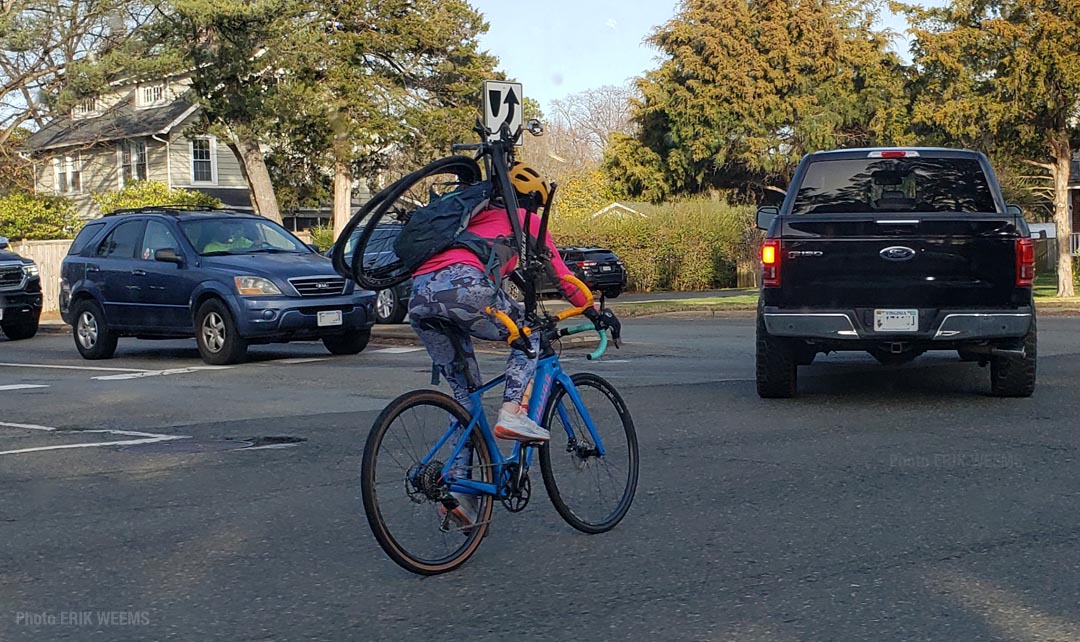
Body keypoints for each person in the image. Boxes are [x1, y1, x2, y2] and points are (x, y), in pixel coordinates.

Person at [407, 163, 601, 528]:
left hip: (419, 297)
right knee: (529, 334)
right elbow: (562, 276)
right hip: (463, 287)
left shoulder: (472, 222)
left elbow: (509, 274)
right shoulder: (523, 219)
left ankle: (458, 495)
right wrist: (593, 310)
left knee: (465, 400)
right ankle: (513, 412)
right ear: (532, 200)